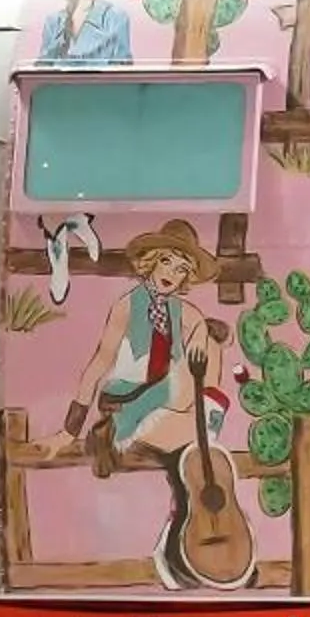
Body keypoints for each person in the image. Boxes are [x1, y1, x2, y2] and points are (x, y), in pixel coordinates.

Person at [55, 219, 231, 589]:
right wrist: (70, 426)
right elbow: (100, 362)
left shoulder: (185, 313)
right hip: (132, 403)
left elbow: (208, 345)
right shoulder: (127, 306)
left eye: (182, 268)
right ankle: (183, 529)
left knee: (208, 351)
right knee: (189, 400)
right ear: (152, 261)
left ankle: (176, 538)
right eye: (168, 261)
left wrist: (207, 336)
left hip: (176, 408)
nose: (172, 273)